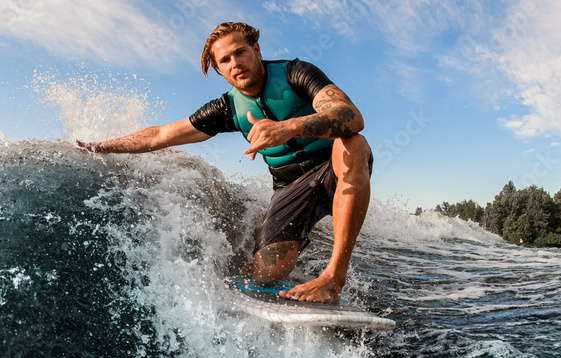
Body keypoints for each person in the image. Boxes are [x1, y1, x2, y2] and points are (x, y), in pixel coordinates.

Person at [76, 22, 371, 303]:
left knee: (353, 142)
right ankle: (280, 241)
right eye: (225, 60)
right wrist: (100, 147)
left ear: (256, 48)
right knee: (266, 274)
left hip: (334, 166)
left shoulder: (296, 72)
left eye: (240, 52)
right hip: (291, 187)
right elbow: (161, 135)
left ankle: (334, 277)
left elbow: (352, 116)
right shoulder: (227, 108)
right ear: (219, 70)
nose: (235, 63)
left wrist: (290, 127)